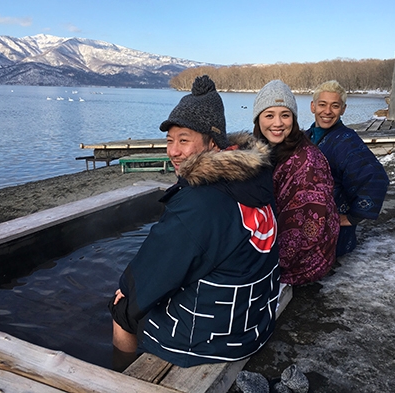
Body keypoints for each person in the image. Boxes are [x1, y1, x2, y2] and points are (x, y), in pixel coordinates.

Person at [109, 75, 281, 369]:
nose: (173, 151)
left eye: (184, 140)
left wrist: (127, 288)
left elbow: (149, 273)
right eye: (170, 141)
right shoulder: (253, 178)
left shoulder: (200, 202)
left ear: (213, 142)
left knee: (122, 308)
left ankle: (120, 375)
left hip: (217, 340)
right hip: (255, 321)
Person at [253, 80, 339, 286]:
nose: (277, 123)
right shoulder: (262, 149)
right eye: (269, 115)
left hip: (304, 262)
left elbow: (303, 229)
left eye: (285, 115)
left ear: (294, 119)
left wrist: (264, 262)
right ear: (258, 119)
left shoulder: (307, 162)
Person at [306, 80, 389, 257]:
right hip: (306, 226)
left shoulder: (347, 141)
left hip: (331, 234)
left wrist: (352, 217)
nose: (327, 111)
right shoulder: (306, 137)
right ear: (313, 106)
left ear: (343, 109)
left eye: (335, 106)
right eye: (322, 104)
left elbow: (375, 178)